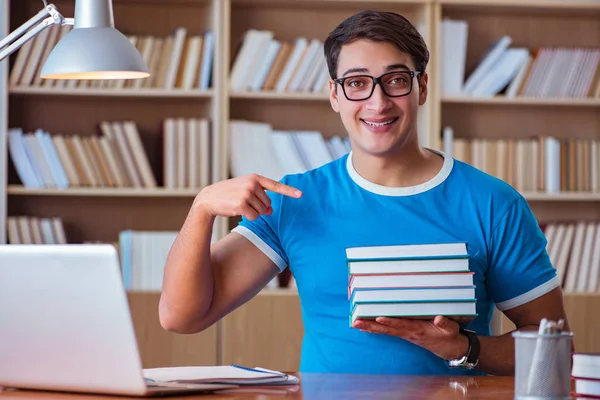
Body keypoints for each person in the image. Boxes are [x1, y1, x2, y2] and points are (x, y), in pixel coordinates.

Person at [159, 9, 569, 376]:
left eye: (395, 80)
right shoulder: (295, 199)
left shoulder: (494, 203)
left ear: (421, 88)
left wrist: (466, 347)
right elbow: (181, 317)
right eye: (357, 83)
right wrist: (201, 209)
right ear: (335, 95)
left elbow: (555, 350)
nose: (377, 102)